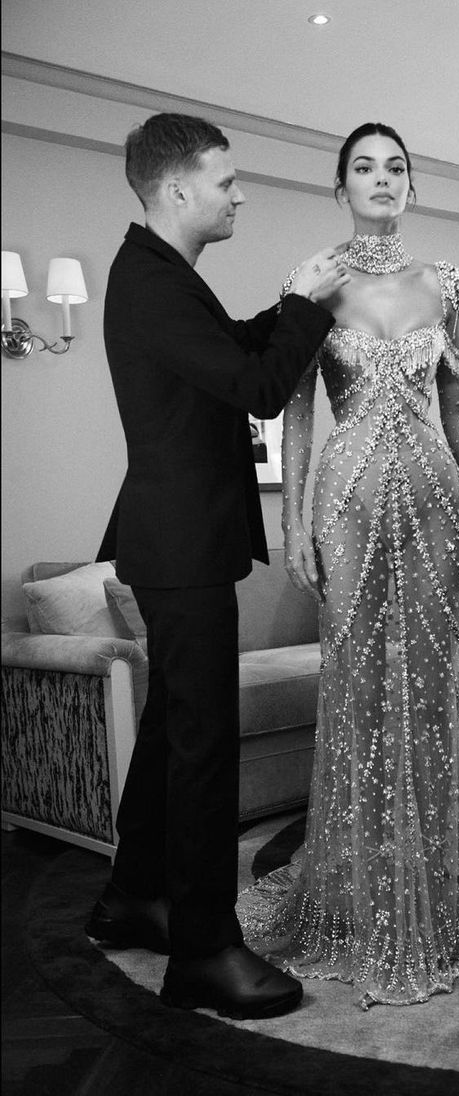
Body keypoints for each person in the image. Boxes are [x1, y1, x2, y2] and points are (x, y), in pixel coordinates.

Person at [237, 123, 459, 1008]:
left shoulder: (446, 284)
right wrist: (298, 516)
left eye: (395, 168)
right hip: (346, 500)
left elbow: (457, 397)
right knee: (355, 677)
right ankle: (358, 885)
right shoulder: (314, 282)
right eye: (363, 168)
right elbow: (298, 413)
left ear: (412, 188)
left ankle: (444, 874)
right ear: (339, 185)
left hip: (430, 498)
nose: (380, 180)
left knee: (430, 678)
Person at [85, 112, 350, 1020]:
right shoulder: (153, 285)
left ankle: (132, 898)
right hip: (181, 547)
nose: (239, 194)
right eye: (227, 181)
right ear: (175, 190)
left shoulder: (158, 278)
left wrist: (285, 303)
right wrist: (311, 308)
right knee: (203, 748)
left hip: (174, 542)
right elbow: (260, 387)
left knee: (170, 730)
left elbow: (232, 349)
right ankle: (204, 950)